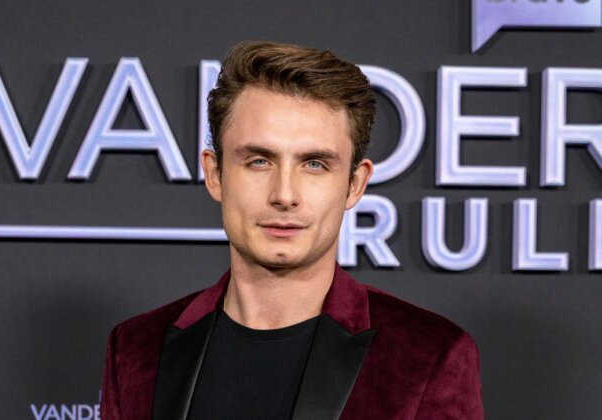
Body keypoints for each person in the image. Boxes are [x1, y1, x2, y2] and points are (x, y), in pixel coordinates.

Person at [100, 40, 484, 420]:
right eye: (259, 161)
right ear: (215, 174)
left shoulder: (429, 356)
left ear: (355, 184)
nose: (284, 195)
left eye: (314, 164)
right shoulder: (136, 348)